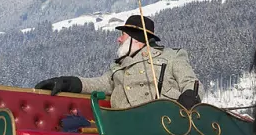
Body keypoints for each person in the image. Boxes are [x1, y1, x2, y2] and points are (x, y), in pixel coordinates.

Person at [36, 14, 201, 109]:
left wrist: (187, 100)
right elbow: (99, 83)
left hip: (161, 124)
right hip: (123, 125)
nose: (118, 40)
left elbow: (192, 83)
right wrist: (68, 82)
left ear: (135, 39)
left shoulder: (171, 57)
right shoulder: (118, 68)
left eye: (123, 35)